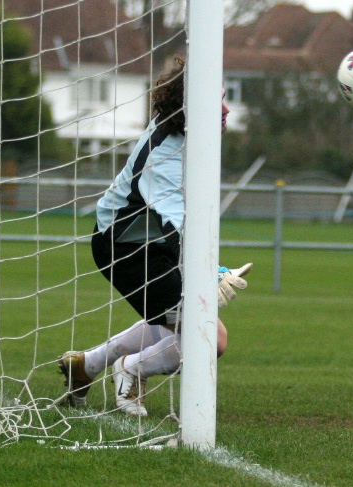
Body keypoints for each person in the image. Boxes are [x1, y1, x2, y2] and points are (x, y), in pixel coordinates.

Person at [58, 56, 251, 417]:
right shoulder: (167, 153)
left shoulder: (184, 136)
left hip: (144, 245)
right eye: (218, 100)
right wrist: (209, 275)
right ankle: (130, 369)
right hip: (126, 248)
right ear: (189, 107)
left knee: (174, 326)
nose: (226, 108)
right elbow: (177, 230)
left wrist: (214, 269)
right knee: (210, 339)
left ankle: (86, 366)